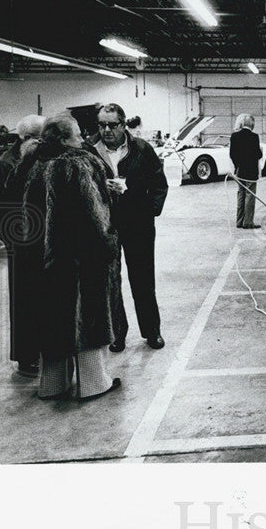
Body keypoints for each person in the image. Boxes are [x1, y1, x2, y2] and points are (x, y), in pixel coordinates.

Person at [14, 115, 122, 401]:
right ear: (63, 139)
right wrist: (109, 243)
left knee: (53, 321)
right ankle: (94, 384)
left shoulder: (33, 163)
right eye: (75, 133)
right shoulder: (79, 163)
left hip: (42, 260)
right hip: (82, 259)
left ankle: (53, 385)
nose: (81, 138)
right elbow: (95, 217)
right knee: (88, 319)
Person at [93, 103, 168, 351]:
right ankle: (117, 334)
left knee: (143, 279)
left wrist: (142, 202)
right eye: (102, 125)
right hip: (106, 227)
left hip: (139, 224)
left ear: (123, 125)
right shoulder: (90, 151)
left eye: (112, 125)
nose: (106, 130)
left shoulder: (142, 149)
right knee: (110, 282)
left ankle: (152, 331)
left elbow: (159, 185)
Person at [0, 114, 45, 377]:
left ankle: (40, 351)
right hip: (21, 244)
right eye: (40, 138)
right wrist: (12, 236)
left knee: (38, 298)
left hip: (39, 241)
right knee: (23, 301)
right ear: (26, 138)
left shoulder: (32, 158)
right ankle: (26, 357)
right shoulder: (5, 165)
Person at [229, 113, 262, 229]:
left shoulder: (234, 136)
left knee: (241, 195)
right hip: (251, 172)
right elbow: (258, 154)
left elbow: (232, 154)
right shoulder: (254, 137)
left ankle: (239, 221)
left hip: (240, 171)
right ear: (252, 124)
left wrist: (237, 166)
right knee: (250, 196)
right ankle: (248, 222)